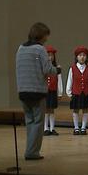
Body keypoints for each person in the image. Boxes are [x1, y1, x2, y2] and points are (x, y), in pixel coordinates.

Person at [15, 22, 60, 160]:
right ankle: (32, 152)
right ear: (41, 35)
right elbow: (47, 69)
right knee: (38, 122)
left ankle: (29, 149)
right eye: (46, 36)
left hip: (23, 91)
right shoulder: (40, 49)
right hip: (37, 91)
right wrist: (57, 69)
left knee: (29, 121)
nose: (46, 39)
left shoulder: (20, 48)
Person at [66, 46, 88, 135]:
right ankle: (76, 127)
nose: (82, 57)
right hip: (76, 92)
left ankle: (83, 127)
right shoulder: (72, 68)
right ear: (76, 57)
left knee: (85, 109)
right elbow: (70, 80)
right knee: (76, 109)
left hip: (86, 92)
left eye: (84, 55)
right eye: (80, 55)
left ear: (86, 57)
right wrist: (69, 92)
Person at [43, 45, 63, 136]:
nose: (50, 57)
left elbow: (59, 81)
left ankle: (52, 128)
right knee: (46, 109)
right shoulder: (43, 68)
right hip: (45, 91)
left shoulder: (57, 68)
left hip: (53, 91)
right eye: (48, 55)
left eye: (51, 55)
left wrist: (60, 93)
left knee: (52, 110)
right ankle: (45, 128)